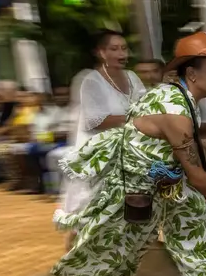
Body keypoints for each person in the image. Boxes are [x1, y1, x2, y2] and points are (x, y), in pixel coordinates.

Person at [51, 31, 206, 276]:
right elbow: (195, 173)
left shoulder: (183, 96)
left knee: (203, 238)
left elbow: (188, 151)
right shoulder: (176, 110)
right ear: (192, 74)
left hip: (167, 180)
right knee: (111, 247)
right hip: (137, 188)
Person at [57, 30, 145, 249]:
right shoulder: (90, 80)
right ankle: (76, 255)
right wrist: (136, 117)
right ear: (101, 52)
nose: (121, 53)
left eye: (124, 48)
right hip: (97, 152)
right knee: (90, 207)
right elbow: (95, 120)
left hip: (125, 146)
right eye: (114, 49)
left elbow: (145, 105)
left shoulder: (132, 77)